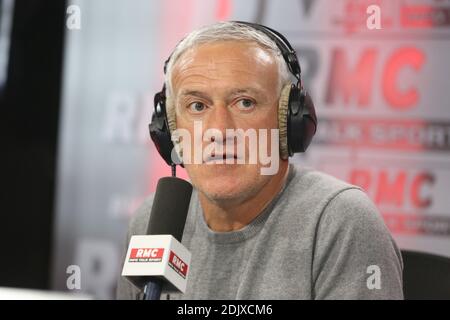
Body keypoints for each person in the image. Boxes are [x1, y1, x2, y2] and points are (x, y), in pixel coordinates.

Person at [116, 21, 403, 299]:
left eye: (245, 103)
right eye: (198, 106)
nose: (219, 130)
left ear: (288, 120)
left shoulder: (339, 221)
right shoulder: (153, 223)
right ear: (170, 128)